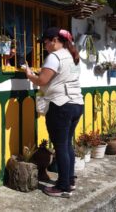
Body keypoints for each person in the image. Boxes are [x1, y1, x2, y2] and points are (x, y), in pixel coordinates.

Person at [24, 27, 84, 198]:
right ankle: (70, 180)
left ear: (55, 40)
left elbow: (42, 80)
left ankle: (63, 186)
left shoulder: (54, 57)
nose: (44, 45)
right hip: (76, 103)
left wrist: (29, 74)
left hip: (60, 105)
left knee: (60, 146)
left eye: (45, 41)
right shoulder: (73, 56)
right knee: (67, 144)